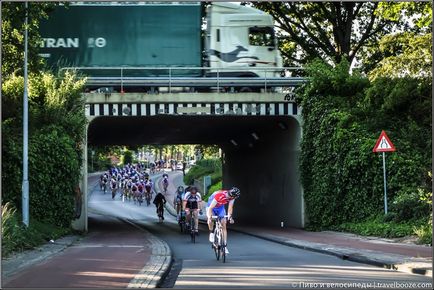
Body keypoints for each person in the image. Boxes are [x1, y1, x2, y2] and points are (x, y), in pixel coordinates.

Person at [206, 187, 241, 254]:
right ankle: (211, 232)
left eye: (234, 197)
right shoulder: (220, 195)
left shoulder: (233, 198)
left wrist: (230, 217)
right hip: (211, 206)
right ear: (230, 194)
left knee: (224, 223)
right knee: (210, 219)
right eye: (232, 197)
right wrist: (210, 216)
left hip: (220, 207)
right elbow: (210, 208)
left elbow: (230, 208)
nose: (233, 198)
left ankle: (224, 246)